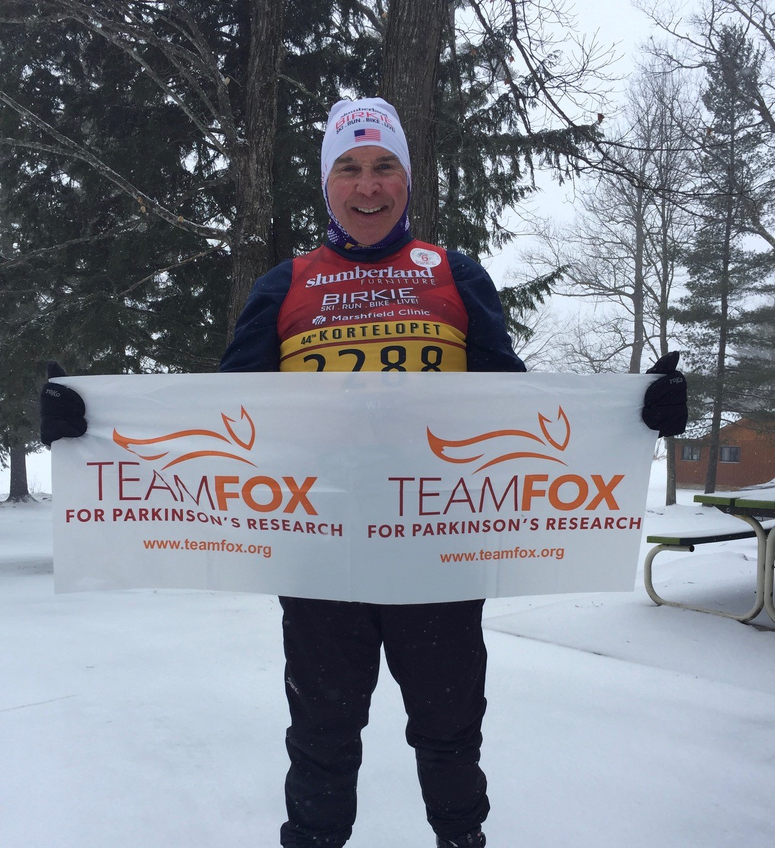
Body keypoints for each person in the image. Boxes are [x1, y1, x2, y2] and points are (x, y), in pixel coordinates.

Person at [41, 97, 688, 848]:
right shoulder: (285, 284)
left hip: (436, 545)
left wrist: (634, 413)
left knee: (448, 732)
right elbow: (219, 416)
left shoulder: (454, 272)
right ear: (327, 184)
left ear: (406, 180)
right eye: (348, 168)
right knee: (323, 735)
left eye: (384, 167)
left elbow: (513, 405)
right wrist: (89, 424)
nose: (368, 186)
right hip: (321, 553)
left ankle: (460, 839)